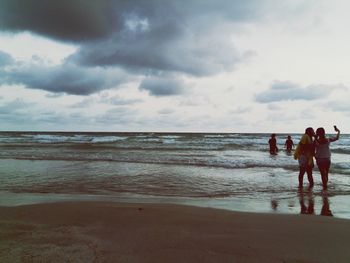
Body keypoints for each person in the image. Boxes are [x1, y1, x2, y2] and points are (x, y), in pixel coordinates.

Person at [314, 126, 340, 190]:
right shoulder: (328, 139)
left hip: (319, 159)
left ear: (317, 133)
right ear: (324, 132)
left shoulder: (315, 141)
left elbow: (312, 150)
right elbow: (337, 138)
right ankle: (325, 187)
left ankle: (324, 187)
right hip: (327, 159)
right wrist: (338, 131)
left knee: (322, 174)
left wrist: (315, 156)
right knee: (326, 173)